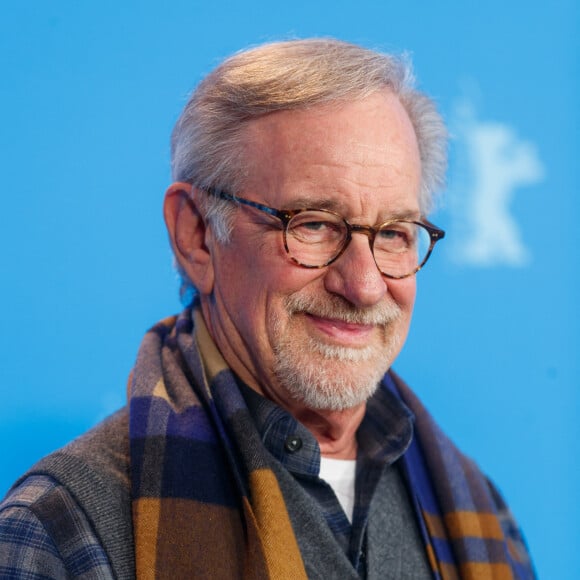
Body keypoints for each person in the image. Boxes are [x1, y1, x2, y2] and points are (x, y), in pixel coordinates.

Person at [0, 38, 535, 579]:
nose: (366, 286)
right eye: (314, 224)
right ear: (198, 236)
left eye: (394, 233)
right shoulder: (58, 534)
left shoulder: (482, 513)